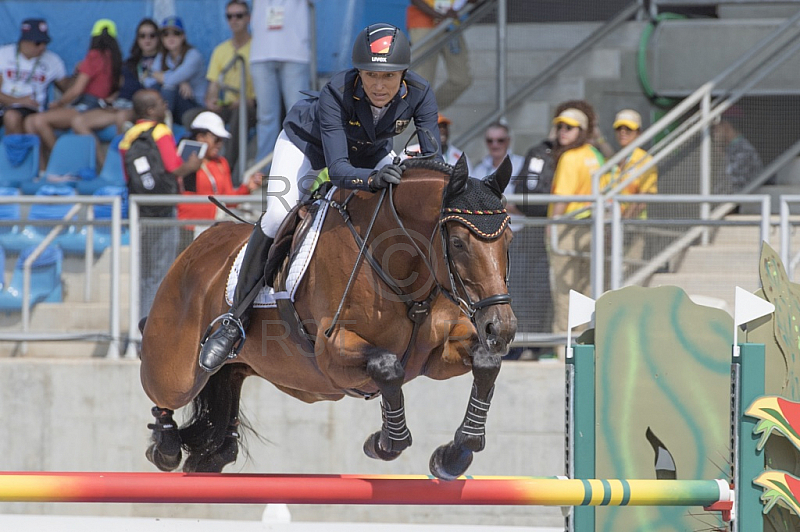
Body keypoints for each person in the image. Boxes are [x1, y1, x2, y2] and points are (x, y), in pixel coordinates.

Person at [199, 22, 441, 373]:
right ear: (358, 71)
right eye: (370, 74)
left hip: (370, 154)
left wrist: (416, 168)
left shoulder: (421, 93)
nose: (378, 85)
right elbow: (339, 169)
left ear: (404, 74)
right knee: (275, 214)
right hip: (306, 147)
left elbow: (434, 159)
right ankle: (233, 320)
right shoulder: (336, 91)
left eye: (388, 77)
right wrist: (373, 178)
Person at [119, 89, 201, 319]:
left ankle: (141, 324)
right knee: (161, 271)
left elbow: (128, 178)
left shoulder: (127, 137)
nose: (165, 106)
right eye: (160, 103)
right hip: (163, 208)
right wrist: (192, 165)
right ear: (150, 110)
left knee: (144, 273)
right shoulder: (161, 131)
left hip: (141, 211)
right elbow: (174, 167)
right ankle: (154, 326)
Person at [25, 19, 123, 167]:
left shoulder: (95, 55)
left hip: (86, 107)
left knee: (38, 120)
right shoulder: (115, 58)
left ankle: (65, 162)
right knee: (30, 122)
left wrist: (59, 103)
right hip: (100, 107)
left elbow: (76, 90)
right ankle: (43, 169)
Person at [547, 100, 605, 334]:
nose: (562, 132)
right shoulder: (595, 155)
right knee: (585, 289)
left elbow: (562, 197)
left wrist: (551, 227)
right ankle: (584, 340)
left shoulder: (570, 157)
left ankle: (563, 343)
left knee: (564, 290)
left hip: (568, 228)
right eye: (560, 127)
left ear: (581, 131)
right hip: (590, 228)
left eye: (569, 128)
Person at [71, 18, 162, 169]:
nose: (147, 39)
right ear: (137, 39)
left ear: (158, 38)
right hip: (119, 105)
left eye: (152, 35)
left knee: (122, 117)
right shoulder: (130, 62)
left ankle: (122, 167)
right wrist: (110, 100)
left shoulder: (163, 60)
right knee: (78, 122)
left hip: (140, 109)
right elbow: (120, 88)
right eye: (142, 35)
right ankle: (105, 165)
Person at [177, 111, 262, 250]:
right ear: (200, 137)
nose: (220, 144)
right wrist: (215, 210)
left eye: (222, 140)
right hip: (189, 231)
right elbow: (183, 202)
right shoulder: (184, 161)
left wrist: (247, 188)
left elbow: (228, 200)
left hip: (214, 230)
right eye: (216, 139)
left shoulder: (221, 163)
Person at [249, 0, 311, 167]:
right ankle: (264, 167)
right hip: (261, 54)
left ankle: (300, 163)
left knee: (298, 114)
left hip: (294, 54)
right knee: (266, 117)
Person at [203, 0, 257, 179]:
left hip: (251, 106)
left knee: (239, 116)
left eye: (239, 15)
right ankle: (197, 173)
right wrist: (211, 101)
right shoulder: (220, 50)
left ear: (248, 18)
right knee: (193, 118)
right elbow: (213, 85)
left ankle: (225, 171)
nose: (234, 20)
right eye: (229, 16)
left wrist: (247, 101)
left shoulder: (258, 47)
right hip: (227, 105)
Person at [602, 109, 657, 272]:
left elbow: (644, 196)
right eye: (619, 129)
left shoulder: (644, 159)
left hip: (632, 226)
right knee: (609, 272)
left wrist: (623, 223)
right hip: (611, 224)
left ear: (638, 133)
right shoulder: (618, 159)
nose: (623, 133)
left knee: (629, 272)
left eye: (628, 129)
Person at [0, 19, 69, 134]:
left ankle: (19, 150)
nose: (42, 47)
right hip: (5, 103)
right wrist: (18, 100)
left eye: (45, 43)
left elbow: (67, 88)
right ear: (24, 41)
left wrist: (80, 74)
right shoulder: (4, 54)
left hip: (31, 108)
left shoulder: (52, 60)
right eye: (37, 43)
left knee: (12, 116)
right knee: (10, 114)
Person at [406, 0, 475, 110]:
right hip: (423, 22)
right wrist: (440, 15)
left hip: (451, 25)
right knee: (423, 80)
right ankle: (421, 114)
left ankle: (427, 111)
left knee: (462, 80)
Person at [144, 17, 207, 126]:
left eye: (176, 33)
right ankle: (152, 125)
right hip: (174, 106)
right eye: (166, 34)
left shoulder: (193, 55)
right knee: (155, 89)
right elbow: (147, 82)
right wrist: (181, 81)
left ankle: (161, 126)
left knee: (169, 88)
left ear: (183, 36)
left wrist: (173, 80)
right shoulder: (162, 56)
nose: (170, 37)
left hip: (194, 107)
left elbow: (171, 80)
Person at [711, 109, 763, 194]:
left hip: (742, 204)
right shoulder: (732, 150)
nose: (714, 134)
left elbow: (734, 188)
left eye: (716, 129)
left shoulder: (743, 151)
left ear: (726, 127)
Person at [401, 113, 470, 170]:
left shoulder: (460, 157)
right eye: (438, 127)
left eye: (444, 127)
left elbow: (470, 180)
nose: (442, 130)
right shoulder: (409, 153)